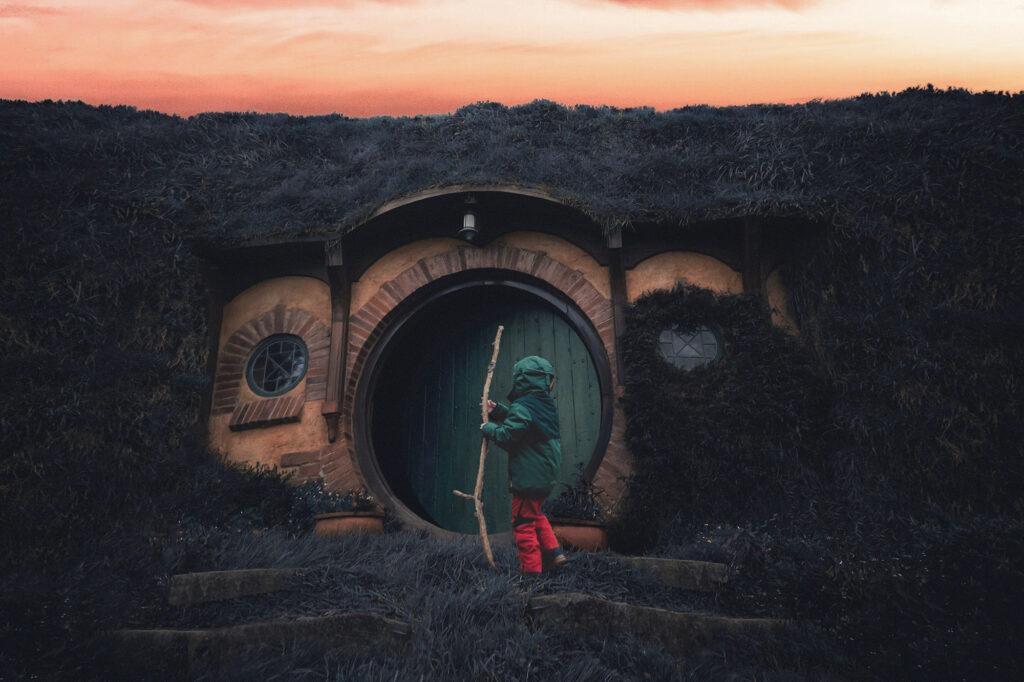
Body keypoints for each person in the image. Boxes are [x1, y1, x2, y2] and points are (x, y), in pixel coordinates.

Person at [481, 356, 567, 574]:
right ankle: (555, 554)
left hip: (529, 477)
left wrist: (488, 428)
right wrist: (499, 410)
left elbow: (509, 435)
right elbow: (525, 423)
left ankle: (531, 574)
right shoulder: (544, 405)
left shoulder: (523, 406)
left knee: (522, 522)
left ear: (522, 380)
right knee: (535, 514)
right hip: (545, 475)